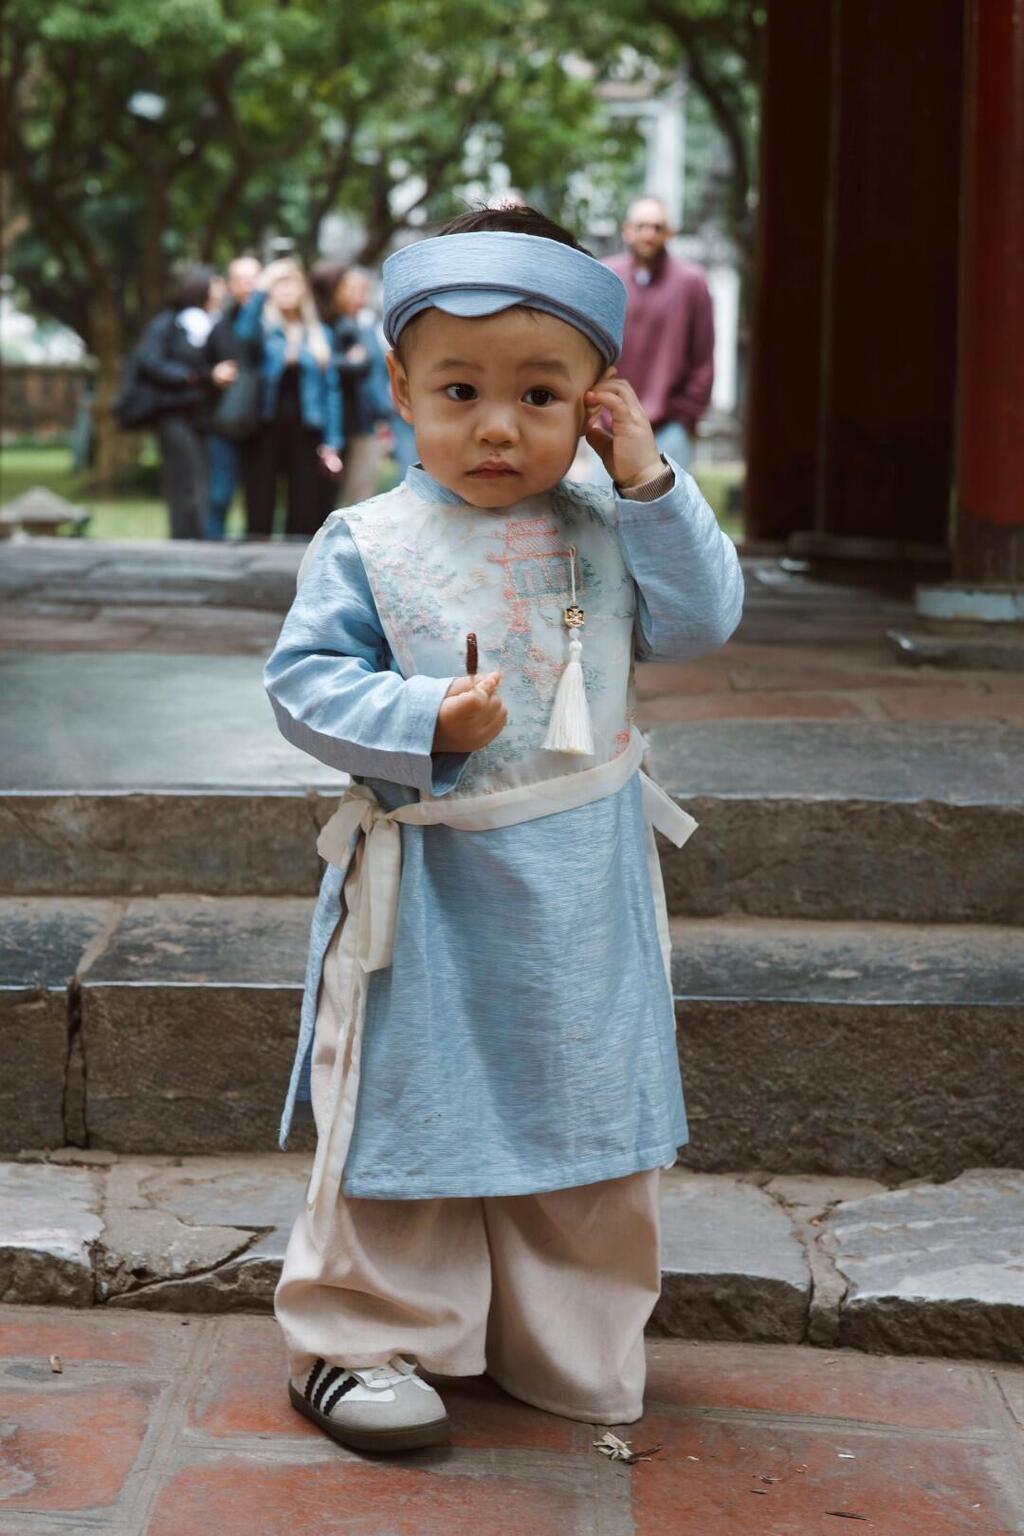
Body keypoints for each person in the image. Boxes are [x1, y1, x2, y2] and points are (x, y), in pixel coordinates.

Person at [264, 204, 744, 1453]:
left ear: (598, 395)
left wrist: (647, 478)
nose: (495, 424)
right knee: (407, 1114)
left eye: (540, 394)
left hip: (581, 879)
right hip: (430, 883)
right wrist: (424, 715)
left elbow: (702, 619)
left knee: (584, 1116)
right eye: (460, 388)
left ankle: (568, 1339)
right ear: (400, 390)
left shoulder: (614, 522)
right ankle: (362, 1332)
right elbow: (304, 684)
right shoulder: (367, 540)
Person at [601, 195, 715, 474]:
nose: (648, 234)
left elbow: (704, 356)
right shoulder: (606, 277)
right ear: (626, 230)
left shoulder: (692, 282)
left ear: (670, 232)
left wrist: (686, 416)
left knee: (666, 515)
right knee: (603, 514)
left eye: (656, 227)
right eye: (641, 226)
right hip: (609, 423)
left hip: (670, 427)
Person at [234, 258, 343, 539]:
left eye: (291, 285)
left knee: (304, 502)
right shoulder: (262, 328)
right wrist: (261, 288)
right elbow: (241, 334)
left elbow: (332, 389)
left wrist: (332, 440)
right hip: (265, 424)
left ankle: (295, 564)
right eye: (279, 286)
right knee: (260, 498)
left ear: (303, 291)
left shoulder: (320, 334)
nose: (285, 292)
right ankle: (255, 555)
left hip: (307, 424)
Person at [134, 265, 234, 539]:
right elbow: (149, 361)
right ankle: (186, 535)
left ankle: (200, 533)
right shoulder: (170, 322)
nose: (221, 290)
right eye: (216, 285)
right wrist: (194, 376)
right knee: (185, 475)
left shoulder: (216, 322)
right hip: (174, 412)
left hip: (203, 413)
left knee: (201, 474)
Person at [311, 261, 391, 509]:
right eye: (347, 287)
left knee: (358, 498)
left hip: (361, 423)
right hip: (335, 427)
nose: (354, 293)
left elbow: (366, 363)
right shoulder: (327, 327)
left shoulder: (356, 325)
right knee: (330, 500)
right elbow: (351, 364)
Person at [203, 255, 262, 539]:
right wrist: (213, 372)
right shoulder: (220, 324)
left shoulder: (274, 319)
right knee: (220, 494)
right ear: (230, 285)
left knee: (258, 496)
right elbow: (199, 367)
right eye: (240, 280)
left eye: (253, 279)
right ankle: (212, 551)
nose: (247, 286)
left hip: (264, 422)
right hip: (226, 422)